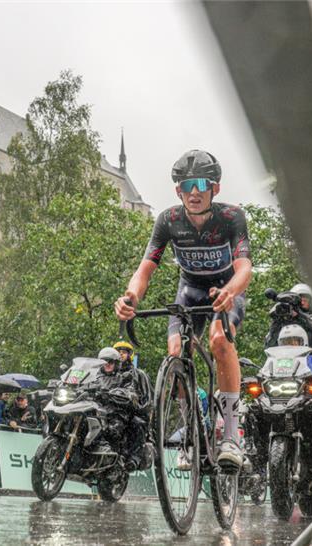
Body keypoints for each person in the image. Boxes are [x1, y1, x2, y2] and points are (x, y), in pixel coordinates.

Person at [114, 149, 252, 472]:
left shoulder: (231, 218)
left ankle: (231, 436)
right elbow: (145, 269)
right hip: (190, 292)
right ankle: (194, 428)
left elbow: (244, 268)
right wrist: (130, 297)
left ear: (215, 188)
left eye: (201, 184)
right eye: (187, 185)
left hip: (226, 290)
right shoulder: (168, 221)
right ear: (178, 190)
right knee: (176, 352)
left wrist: (231, 291)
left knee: (219, 339)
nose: (194, 192)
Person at [265, 283, 312, 357]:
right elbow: (269, 346)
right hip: (289, 361)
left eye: (305, 300)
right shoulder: (285, 321)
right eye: (300, 301)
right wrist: (277, 321)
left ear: (311, 303)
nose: (302, 303)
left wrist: (299, 315)